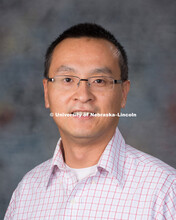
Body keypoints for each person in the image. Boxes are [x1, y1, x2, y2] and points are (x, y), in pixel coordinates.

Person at [5, 23, 176, 220]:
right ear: (46, 92)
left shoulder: (166, 191)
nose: (83, 96)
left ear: (123, 93)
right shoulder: (27, 191)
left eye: (99, 81)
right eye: (68, 79)